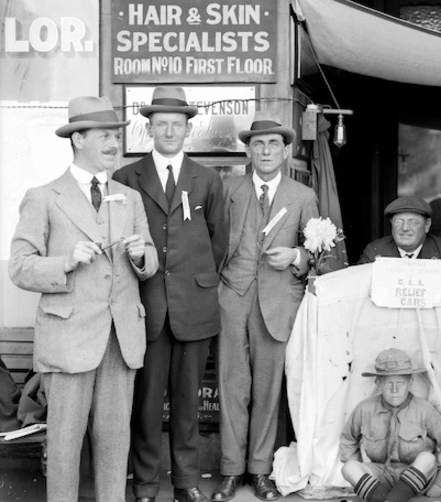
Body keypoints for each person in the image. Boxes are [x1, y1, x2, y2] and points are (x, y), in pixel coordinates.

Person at [9, 96, 159, 502]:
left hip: (120, 339)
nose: (114, 143)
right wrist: (65, 262)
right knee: (63, 449)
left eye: (116, 135)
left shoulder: (129, 197)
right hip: (69, 339)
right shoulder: (43, 197)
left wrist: (141, 255)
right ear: (78, 139)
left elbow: (150, 259)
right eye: (105, 136)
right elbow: (20, 267)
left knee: (114, 446)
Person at [112, 87, 228, 502]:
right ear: (149, 128)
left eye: (176, 125)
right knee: (145, 405)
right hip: (145, 308)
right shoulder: (126, 178)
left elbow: (219, 243)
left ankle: (186, 482)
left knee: (187, 405)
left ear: (187, 129)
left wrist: (192, 280)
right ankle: (144, 485)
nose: (169, 131)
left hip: (194, 307)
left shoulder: (208, 179)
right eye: (161, 124)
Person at [212, 119, 319, 502]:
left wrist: (295, 255)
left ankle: (260, 471)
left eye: (274, 144)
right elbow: (210, 244)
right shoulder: (227, 190)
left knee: (268, 391)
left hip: (278, 303)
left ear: (286, 151)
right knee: (231, 388)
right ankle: (230, 471)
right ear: (248, 151)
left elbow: (321, 252)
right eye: (259, 144)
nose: (267, 151)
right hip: (231, 299)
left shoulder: (302, 195)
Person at [339, 348, 441, 502]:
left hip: (416, 475)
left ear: (410, 383)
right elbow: (347, 439)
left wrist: (439, 482)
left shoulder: (424, 409)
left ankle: (385, 498)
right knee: (349, 467)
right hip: (381, 474)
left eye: (401, 383)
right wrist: (364, 479)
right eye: (389, 383)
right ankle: (389, 498)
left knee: (427, 458)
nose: (395, 390)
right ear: (378, 383)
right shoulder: (365, 409)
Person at [358, 196, 441, 264]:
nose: (405, 228)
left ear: (427, 225)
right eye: (398, 222)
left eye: (413, 222)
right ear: (391, 224)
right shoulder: (374, 252)